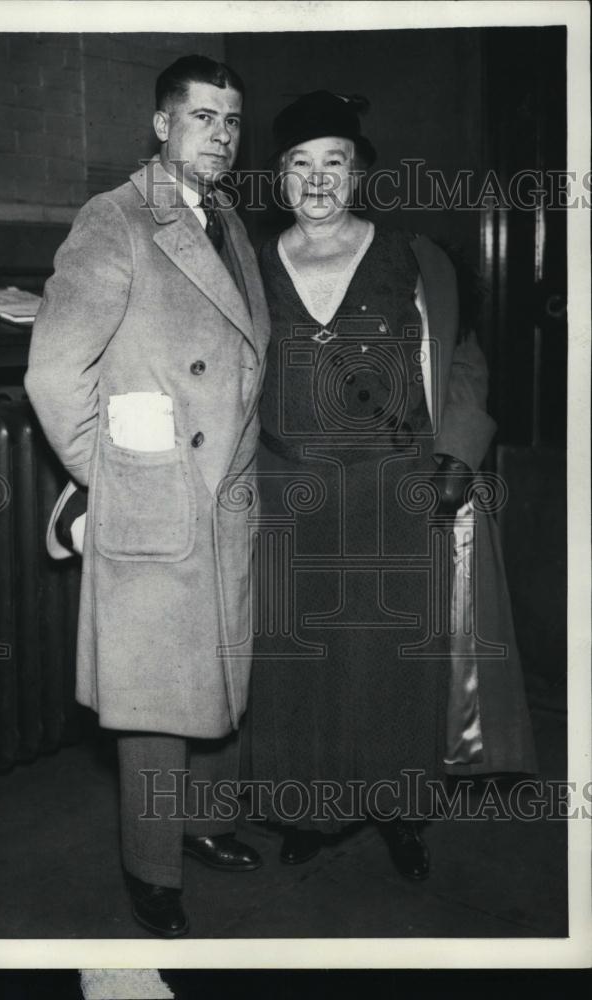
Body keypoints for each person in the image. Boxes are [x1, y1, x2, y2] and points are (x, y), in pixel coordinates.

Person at [248, 91, 536, 877]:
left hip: (398, 487)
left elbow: (465, 359)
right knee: (297, 662)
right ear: (277, 178)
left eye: (332, 163)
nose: (315, 180)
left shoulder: (417, 257)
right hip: (287, 490)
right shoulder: (245, 264)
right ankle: (310, 810)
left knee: (395, 664)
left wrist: (456, 454)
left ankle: (401, 812)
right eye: (298, 165)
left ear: (359, 174)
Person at [25, 55, 271, 938]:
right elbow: (55, 371)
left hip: (227, 498)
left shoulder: (228, 221)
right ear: (161, 125)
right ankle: (149, 868)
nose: (221, 134)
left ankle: (205, 824)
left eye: (232, 120)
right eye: (203, 117)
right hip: (160, 500)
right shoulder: (118, 218)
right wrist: (116, 476)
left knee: (218, 675)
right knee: (158, 696)